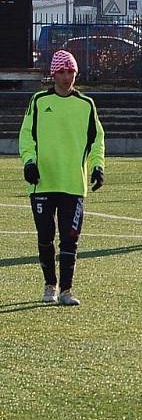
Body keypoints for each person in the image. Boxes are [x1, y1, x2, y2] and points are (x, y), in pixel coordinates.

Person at [18, 49, 105, 306]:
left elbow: (96, 140)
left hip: (72, 184)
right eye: (62, 72)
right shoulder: (39, 101)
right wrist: (29, 162)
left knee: (70, 237)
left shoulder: (86, 105)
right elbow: (27, 135)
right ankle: (50, 285)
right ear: (53, 74)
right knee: (45, 235)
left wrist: (98, 167)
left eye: (71, 71)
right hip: (43, 182)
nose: (67, 76)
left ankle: (66, 290)